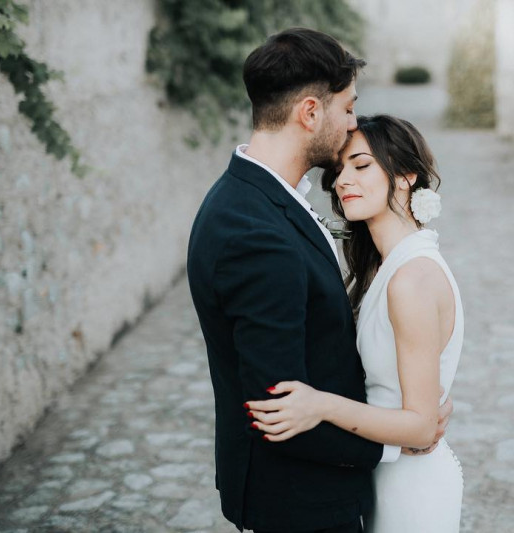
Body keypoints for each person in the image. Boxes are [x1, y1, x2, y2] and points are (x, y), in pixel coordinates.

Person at [186, 29, 452, 533]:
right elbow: (280, 408)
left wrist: (413, 408)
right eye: (347, 108)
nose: (352, 123)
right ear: (310, 112)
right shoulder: (255, 233)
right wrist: (403, 439)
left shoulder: (257, 199)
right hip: (301, 502)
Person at [246, 114, 464, 533]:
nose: (343, 180)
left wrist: (319, 405)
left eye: (362, 165)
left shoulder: (412, 279)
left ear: (406, 176)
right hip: (379, 473)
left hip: (411, 490)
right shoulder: (384, 267)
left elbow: (421, 426)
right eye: (339, 170)